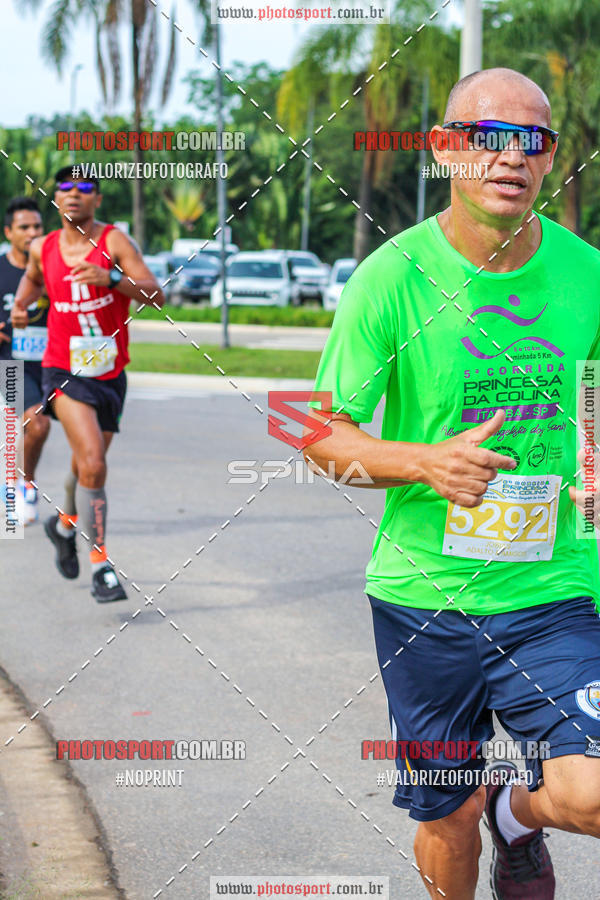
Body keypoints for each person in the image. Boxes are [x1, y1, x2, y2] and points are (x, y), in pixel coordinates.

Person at [306, 68, 600, 899]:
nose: (512, 158)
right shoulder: (389, 279)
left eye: (532, 140)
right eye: (488, 138)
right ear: (444, 149)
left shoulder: (588, 275)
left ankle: (522, 813)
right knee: (448, 812)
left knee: (592, 790)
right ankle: (486, 815)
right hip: (422, 598)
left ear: (549, 159)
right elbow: (320, 436)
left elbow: (597, 402)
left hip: (554, 587)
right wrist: (425, 462)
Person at [12, 166, 164, 603]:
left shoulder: (113, 242)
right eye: (66, 188)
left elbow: (156, 294)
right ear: (55, 199)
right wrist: (22, 305)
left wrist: (113, 279)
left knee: (85, 467)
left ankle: (62, 526)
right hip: (63, 370)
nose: (74, 194)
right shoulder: (44, 247)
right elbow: (33, 279)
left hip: (110, 374)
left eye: (85, 189)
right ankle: (101, 566)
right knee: (94, 463)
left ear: (97, 199)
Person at [0, 196, 50, 524]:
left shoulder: (52, 268)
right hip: (9, 361)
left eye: (37, 226)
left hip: (50, 361)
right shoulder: (1, 269)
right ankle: (23, 486)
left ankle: (19, 480)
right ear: (9, 233)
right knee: (37, 421)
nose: (31, 232)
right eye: (24, 227)